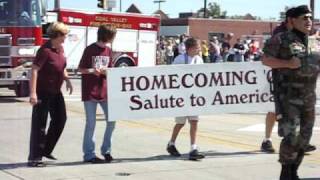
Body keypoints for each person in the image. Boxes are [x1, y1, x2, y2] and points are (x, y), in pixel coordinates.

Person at [263, 5, 319, 179]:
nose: (308, 21)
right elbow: (266, 60)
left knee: (305, 137)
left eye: (310, 18)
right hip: (289, 97)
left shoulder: (314, 42)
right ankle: (286, 171)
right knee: (291, 137)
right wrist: (287, 64)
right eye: (304, 18)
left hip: (309, 97)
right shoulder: (281, 39)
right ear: (292, 20)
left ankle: (294, 169)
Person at [28, 22, 73, 167]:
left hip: (55, 91)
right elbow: (34, 70)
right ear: (57, 35)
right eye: (64, 35)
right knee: (39, 125)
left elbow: (62, 66)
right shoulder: (45, 51)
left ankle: (46, 149)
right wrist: (33, 93)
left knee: (61, 119)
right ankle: (34, 158)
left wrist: (67, 79)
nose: (65, 37)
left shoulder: (60, 49)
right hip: (42, 92)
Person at [78, 25, 117, 164]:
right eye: (113, 35)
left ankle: (106, 150)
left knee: (112, 121)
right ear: (106, 36)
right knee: (91, 123)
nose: (114, 38)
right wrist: (91, 70)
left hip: (105, 92)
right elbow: (80, 69)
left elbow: (111, 70)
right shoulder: (90, 49)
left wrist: (107, 71)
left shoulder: (108, 50)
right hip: (90, 92)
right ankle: (89, 154)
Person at [166, 37, 205, 160]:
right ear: (189, 48)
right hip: (181, 96)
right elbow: (172, 74)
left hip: (194, 96)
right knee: (180, 123)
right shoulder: (180, 59)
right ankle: (171, 143)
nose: (199, 49)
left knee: (194, 121)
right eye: (196, 47)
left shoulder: (199, 59)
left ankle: (193, 147)